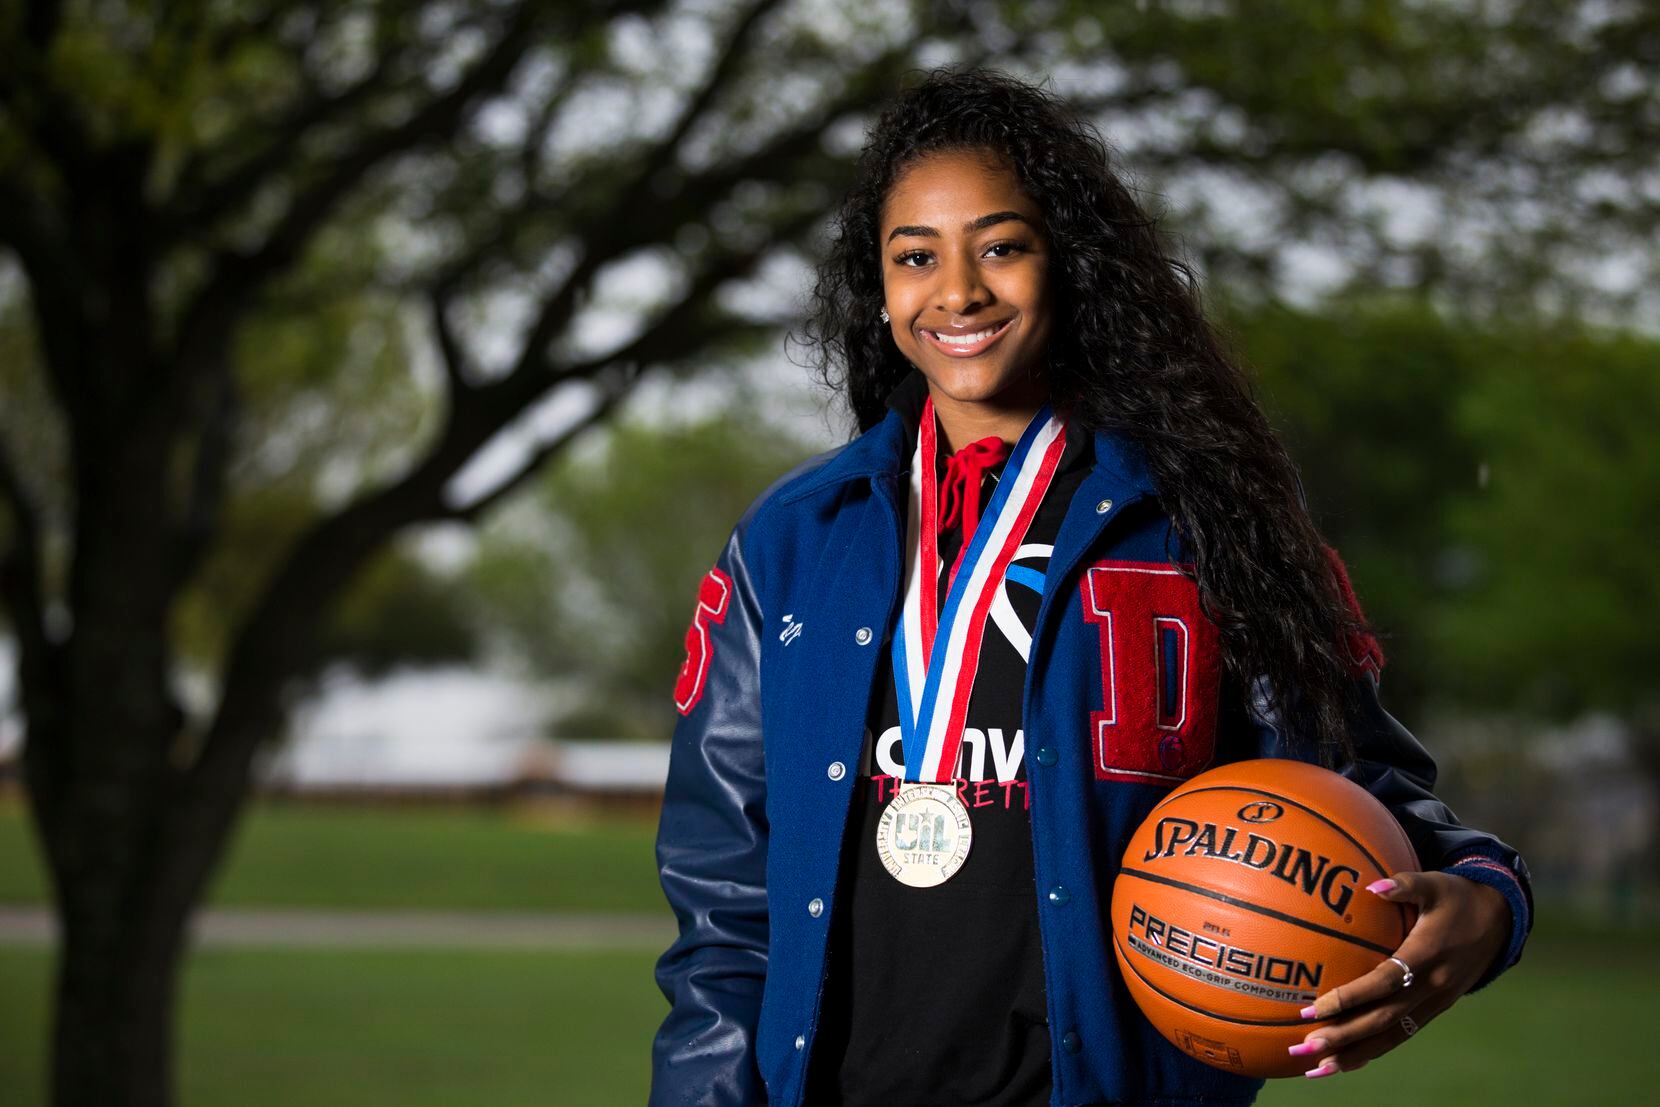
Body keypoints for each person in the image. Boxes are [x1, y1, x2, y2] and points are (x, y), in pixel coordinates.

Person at [649, 67, 1532, 1107]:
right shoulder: (793, 541)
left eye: (1002, 246)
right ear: (877, 287)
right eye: (915, 257)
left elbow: (1349, 789)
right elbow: (722, 906)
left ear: (1068, 263)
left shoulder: (1211, 517)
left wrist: (1488, 898)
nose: (958, 290)